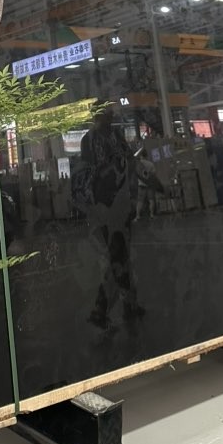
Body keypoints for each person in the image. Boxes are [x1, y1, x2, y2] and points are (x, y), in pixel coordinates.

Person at [80, 105, 143, 330]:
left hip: (118, 204)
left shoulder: (113, 135)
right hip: (106, 206)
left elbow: (128, 164)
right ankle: (104, 308)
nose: (110, 117)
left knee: (121, 256)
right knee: (117, 256)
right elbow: (89, 173)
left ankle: (126, 304)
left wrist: (132, 198)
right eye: (107, 114)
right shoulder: (92, 140)